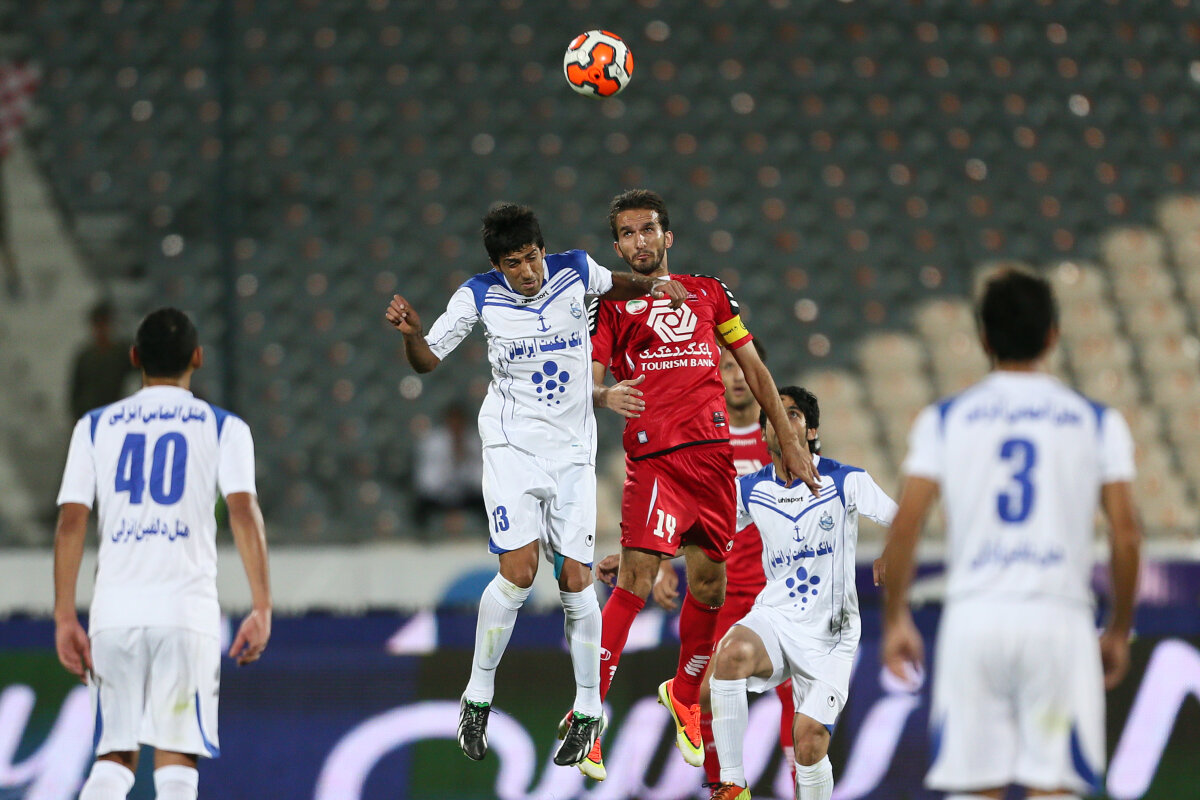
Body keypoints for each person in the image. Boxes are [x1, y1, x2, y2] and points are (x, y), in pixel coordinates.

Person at [385, 202, 686, 769]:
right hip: (512, 447)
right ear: (496, 265)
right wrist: (412, 335)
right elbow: (426, 362)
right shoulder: (477, 296)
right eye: (513, 263)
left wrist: (655, 284)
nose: (526, 271)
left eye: (531, 258)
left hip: (572, 451)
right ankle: (477, 696)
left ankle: (589, 710)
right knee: (519, 573)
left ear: (543, 250)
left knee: (576, 580)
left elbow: (619, 283)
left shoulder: (575, 269)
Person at [585, 189, 821, 780]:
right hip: (657, 459)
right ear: (617, 247)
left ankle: (684, 697)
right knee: (637, 582)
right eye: (627, 234)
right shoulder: (608, 307)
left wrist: (789, 439)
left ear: (668, 237)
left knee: (711, 592)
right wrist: (603, 395)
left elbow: (754, 366)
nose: (639, 241)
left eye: (648, 229)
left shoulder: (710, 293)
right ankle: (588, 711)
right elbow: (585, 382)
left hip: (720, 478)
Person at [881, 268, 1142, 800]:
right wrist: (1117, 629)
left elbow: (907, 525)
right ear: (1053, 334)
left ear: (984, 338)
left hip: (975, 619)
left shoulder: (946, 418)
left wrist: (895, 617)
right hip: (1058, 621)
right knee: (1056, 786)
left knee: (976, 789)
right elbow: (1127, 536)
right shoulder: (1095, 421)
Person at [54, 307, 272, 800]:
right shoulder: (224, 427)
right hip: (185, 611)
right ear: (198, 357)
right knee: (177, 762)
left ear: (134, 358)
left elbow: (71, 522)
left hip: (115, 612)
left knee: (114, 758)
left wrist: (65, 614)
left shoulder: (95, 426)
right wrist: (261, 605)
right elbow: (243, 512)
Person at [706, 386, 897, 800]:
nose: (781, 420)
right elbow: (701, 532)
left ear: (811, 431)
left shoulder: (845, 480)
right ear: (763, 434)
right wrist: (640, 557)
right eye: (774, 416)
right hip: (777, 618)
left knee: (808, 742)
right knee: (731, 653)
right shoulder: (749, 489)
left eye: (792, 413)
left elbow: (901, 519)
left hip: (831, 636)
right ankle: (733, 783)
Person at [639, 342, 801, 789]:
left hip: (778, 594)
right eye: (725, 367)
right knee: (707, 698)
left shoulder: (784, 437)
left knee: (799, 701)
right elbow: (679, 503)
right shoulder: (703, 435)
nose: (736, 376)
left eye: (742, 366)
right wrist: (662, 564)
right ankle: (724, 789)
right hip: (721, 592)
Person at [412, 401, 485, 528]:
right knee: (420, 508)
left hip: (467, 494)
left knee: (487, 506)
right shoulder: (432, 442)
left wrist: (465, 460)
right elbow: (426, 482)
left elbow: (482, 480)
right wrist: (449, 463)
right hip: (439, 495)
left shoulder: (475, 441)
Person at [69, 301, 138, 421]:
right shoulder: (85, 358)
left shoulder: (120, 353)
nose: (102, 330)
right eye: (98, 324)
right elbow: (75, 394)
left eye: (105, 324)